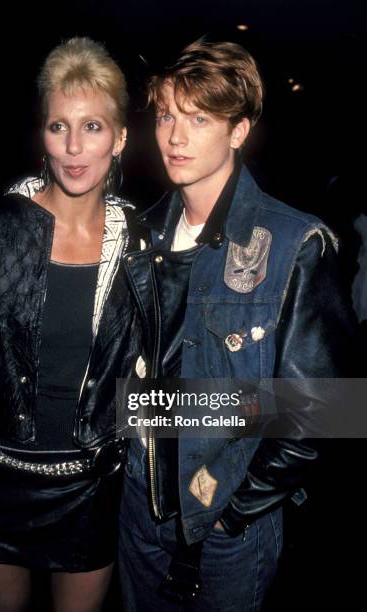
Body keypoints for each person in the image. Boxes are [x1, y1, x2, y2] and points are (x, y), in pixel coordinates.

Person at [119, 39, 356, 611]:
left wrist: (233, 510)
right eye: (168, 115)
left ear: (239, 130)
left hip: (229, 531)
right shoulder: (137, 235)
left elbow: (325, 408)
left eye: (199, 118)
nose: (175, 136)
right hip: (136, 513)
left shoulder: (293, 244)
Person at [0, 37, 141, 612]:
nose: (73, 146)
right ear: (41, 134)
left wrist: (295, 413)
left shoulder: (145, 247)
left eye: (92, 127)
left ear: (119, 137)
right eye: (58, 126)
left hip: (90, 487)